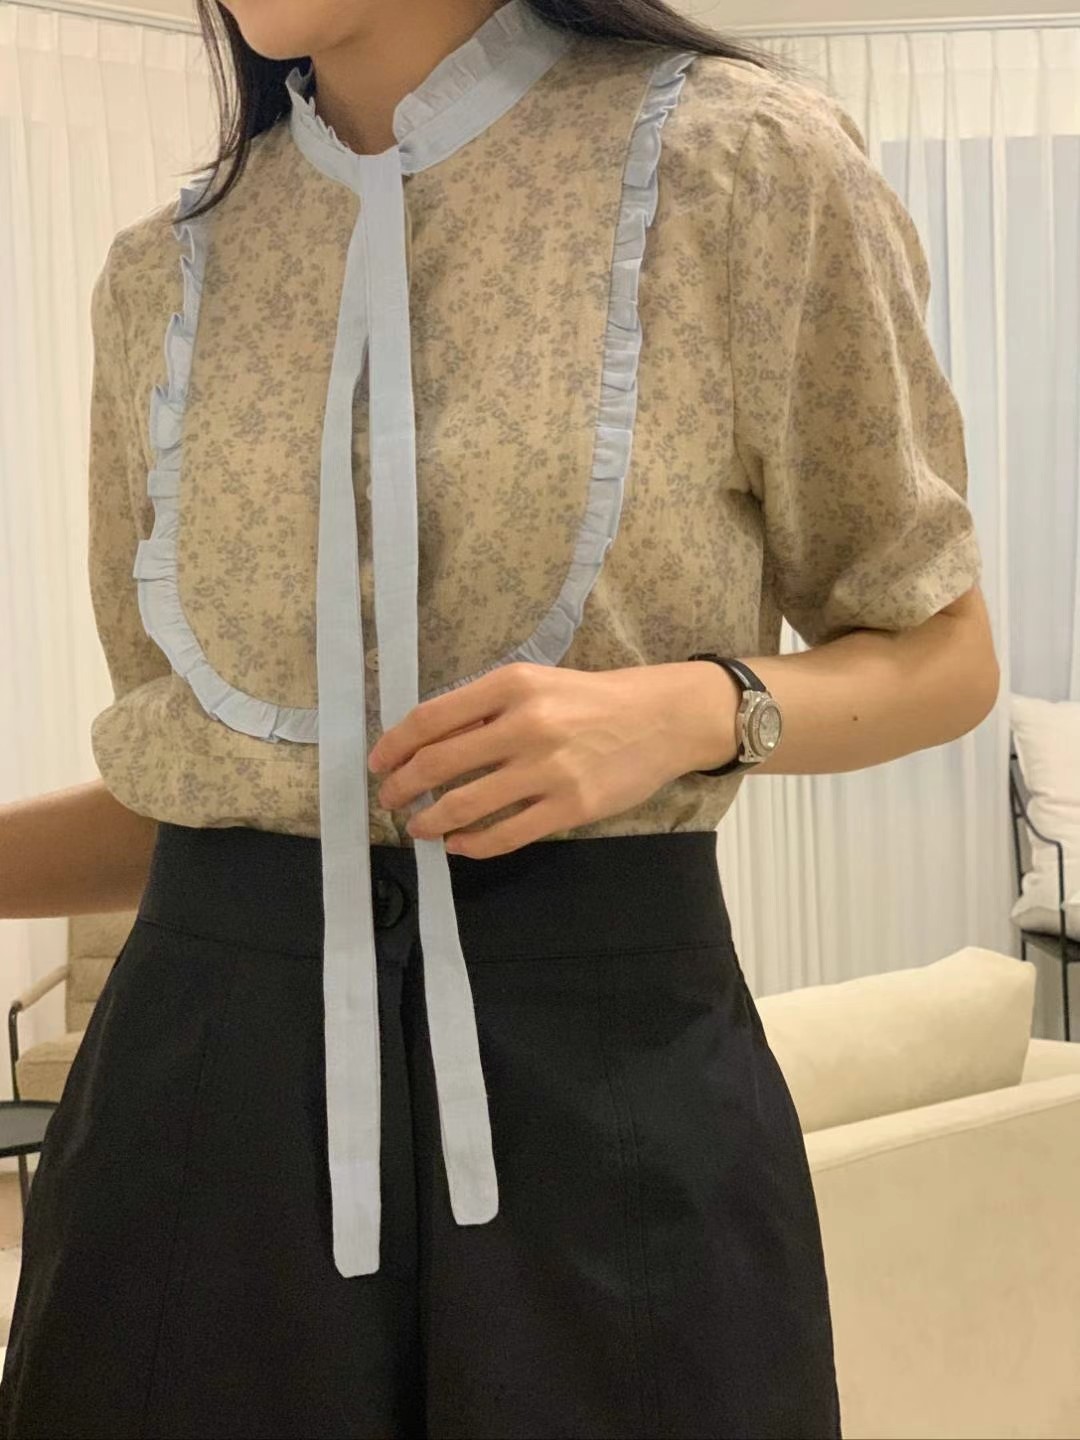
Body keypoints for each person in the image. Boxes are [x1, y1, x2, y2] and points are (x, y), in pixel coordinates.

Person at [0, 1, 999, 1435]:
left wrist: (695, 708)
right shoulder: (163, 273)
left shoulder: (741, 168)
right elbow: (202, 789)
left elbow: (942, 651)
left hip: (613, 1109)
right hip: (192, 1135)